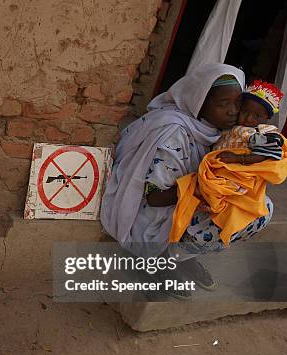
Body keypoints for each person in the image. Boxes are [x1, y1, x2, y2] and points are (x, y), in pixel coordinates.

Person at [100, 63, 273, 300]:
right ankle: (158, 259)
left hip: (184, 203)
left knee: (260, 205)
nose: (234, 111)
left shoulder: (218, 131)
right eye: (223, 104)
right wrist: (206, 190)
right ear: (198, 102)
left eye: (238, 103)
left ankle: (182, 256)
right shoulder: (174, 131)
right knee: (242, 209)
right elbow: (155, 197)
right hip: (148, 216)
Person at [169, 81, 287, 248]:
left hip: (236, 175)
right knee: (206, 194)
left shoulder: (260, 133)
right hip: (217, 170)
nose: (248, 119)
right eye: (245, 112)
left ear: (266, 119)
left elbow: (266, 155)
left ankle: (193, 241)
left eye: (256, 116)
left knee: (226, 202)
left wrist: (238, 159)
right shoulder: (231, 127)